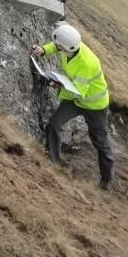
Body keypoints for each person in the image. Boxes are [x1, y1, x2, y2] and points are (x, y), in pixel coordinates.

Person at [31, 22, 115, 189]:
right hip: (75, 97)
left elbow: (78, 92)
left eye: (60, 47)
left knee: (100, 143)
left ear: (68, 47)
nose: (58, 48)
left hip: (94, 106)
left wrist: (56, 85)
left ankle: (106, 180)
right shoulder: (70, 45)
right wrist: (44, 49)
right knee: (55, 123)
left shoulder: (88, 63)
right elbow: (57, 47)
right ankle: (53, 159)